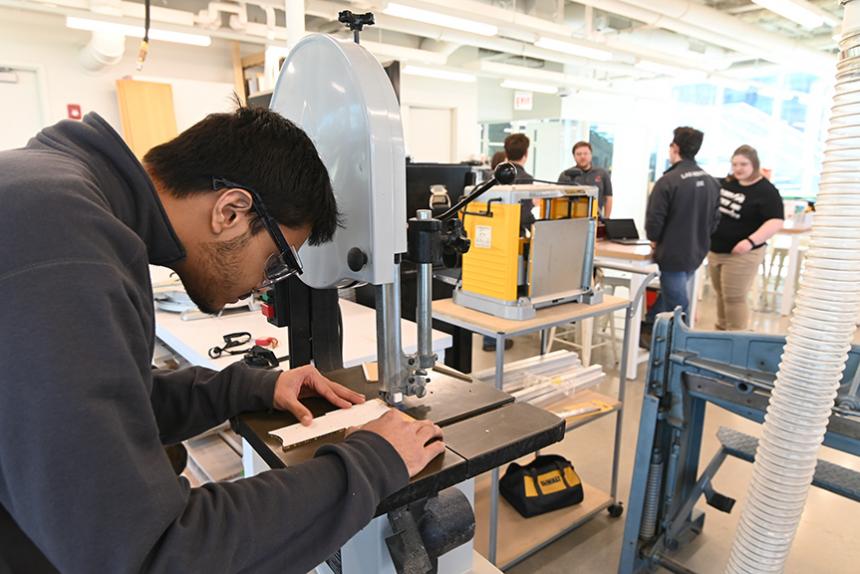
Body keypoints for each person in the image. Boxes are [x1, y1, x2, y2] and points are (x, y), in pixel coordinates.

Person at [0, 109, 445, 573]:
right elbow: (152, 553)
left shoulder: (56, 198)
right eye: (275, 261)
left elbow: (112, 404)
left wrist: (250, 387)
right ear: (231, 211)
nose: (263, 286)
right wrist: (371, 463)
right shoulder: (64, 247)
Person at [643, 126, 721, 340]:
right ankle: (650, 326)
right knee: (671, 295)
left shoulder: (668, 181)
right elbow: (716, 220)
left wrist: (654, 240)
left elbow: (654, 221)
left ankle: (677, 351)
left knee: (679, 307)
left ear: (675, 147)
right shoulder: (711, 181)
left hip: (673, 253)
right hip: (697, 252)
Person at [708, 145, 784, 330]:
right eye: (735, 164)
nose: (738, 168)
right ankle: (721, 333)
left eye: (744, 164)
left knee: (734, 297)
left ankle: (736, 338)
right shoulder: (727, 182)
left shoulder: (766, 190)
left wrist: (750, 242)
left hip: (742, 253)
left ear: (754, 165)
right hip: (716, 250)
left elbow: (775, 221)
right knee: (720, 294)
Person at [558, 141, 614, 217]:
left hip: (596, 218)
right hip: (571, 219)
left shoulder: (602, 173)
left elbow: (608, 198)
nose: (582, 157)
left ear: (591, 155)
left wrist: (606, 219)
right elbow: (558, 198)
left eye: (585, 153)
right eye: (579, 154)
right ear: (574, 156)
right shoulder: (565, 175)